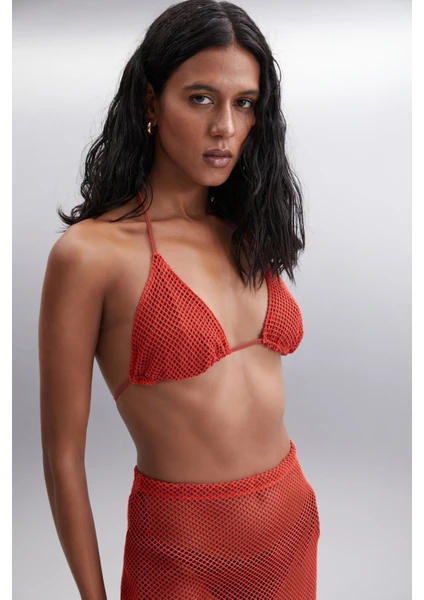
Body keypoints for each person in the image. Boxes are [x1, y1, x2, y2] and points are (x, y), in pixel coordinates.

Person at [38, 0, 320, 598]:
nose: (225, 127)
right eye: (200, 98)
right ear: (150, 103)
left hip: (292, 526)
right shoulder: (90, 256)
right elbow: (63, 456)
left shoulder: (245, 230)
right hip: (182, 552)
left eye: (244, 103)